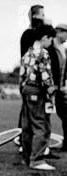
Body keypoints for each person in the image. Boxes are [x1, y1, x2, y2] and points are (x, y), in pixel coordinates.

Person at [19, 24, 57, 170]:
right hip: (37, 90)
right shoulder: (43, 53)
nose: (51, 43)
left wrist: (24, 89)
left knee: (27, 126)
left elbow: (22, 76)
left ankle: (27, 158)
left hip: (26, 89)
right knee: (41, 125)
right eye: (50, 39)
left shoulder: (27, 53)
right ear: (45, 37)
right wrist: (51, 91)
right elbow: (46, 76)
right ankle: (37, 160)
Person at [48, 24, 67, 152]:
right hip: (50, 88)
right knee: (43, 117)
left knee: (64, 115)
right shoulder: (50, 48)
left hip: (61, 88)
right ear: (59, 32)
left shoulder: (64, 50)